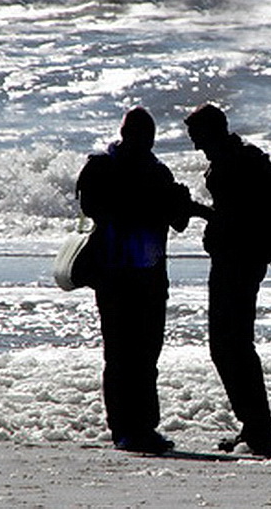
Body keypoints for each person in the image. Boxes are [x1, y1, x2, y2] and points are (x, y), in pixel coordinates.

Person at [75, 107, 210, 454]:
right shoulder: (102, 167)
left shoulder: (156, 171)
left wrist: (184, 204)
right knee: (121, 355)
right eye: (136, 134)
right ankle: (123, 428)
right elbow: (92, 208)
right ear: (125, 133)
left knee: (146, 355)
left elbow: (177, 220)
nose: (142, 141)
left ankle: (144, 427)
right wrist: (153, 201)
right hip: (116, 275)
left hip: (148, 276)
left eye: (145, 136)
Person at [184, 104, 271, 457]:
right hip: (238, 261)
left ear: (213, 131)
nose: (197, 147)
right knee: (233, 346)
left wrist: (204, 215)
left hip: (238, 263)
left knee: (231, 346)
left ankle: (259, 430)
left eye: (198, 138)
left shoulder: (237, 161)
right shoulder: (238, 157)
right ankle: (256, 427)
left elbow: (240, 218)